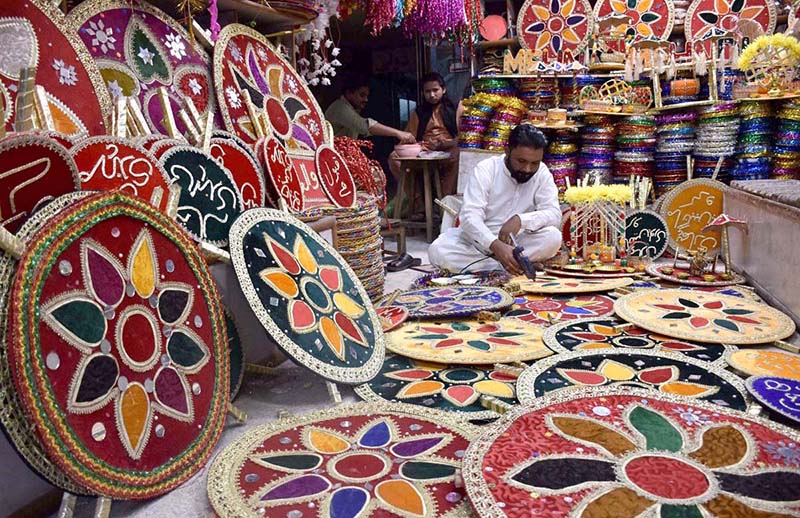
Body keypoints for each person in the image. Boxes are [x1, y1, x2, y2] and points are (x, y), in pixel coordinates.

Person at [428, 124, 562, 274]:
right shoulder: (486, 169)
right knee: (438, 250)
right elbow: (470, 216)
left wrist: (520, 220)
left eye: (534, 163)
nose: (527, 169)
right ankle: (507, 265)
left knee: (553, 237)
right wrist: (494, 244)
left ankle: (502, 264)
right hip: (477, 244)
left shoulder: (542, 173)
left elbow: (554, 214)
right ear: (507, 151)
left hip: (517, 242)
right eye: (521, 161)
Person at [389, 72, 460, 196]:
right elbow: (409, 137)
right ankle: (417, 201)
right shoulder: (418, 112)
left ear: (443, 90)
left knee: (459, 154)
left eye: (435, 90)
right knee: (394, 157)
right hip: (424, 150)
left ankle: (444, 202)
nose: (432, 95)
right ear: (422, 93)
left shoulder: (456, 108)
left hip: (449, 149)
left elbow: (465, 137)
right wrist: (417, 145)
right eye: (427, 91)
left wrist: (448, 143)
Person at [325, 74, 416, 143]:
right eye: (362, 95)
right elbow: (364, 126)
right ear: (349, 93)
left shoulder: (351, 108)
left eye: (367, 96)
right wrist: (398, 133)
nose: (366, 100)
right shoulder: (340, 108)